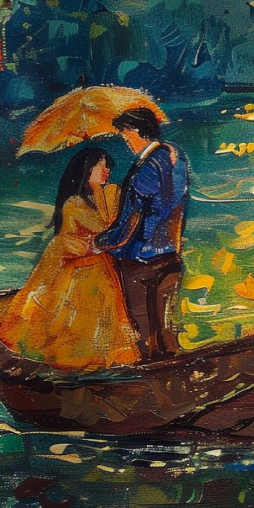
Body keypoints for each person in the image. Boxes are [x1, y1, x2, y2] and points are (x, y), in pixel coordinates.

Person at [0, 139, 139, 371]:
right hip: (78, 269)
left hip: (100, 267)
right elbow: (102, 231)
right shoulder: (75, 203)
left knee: (104, 319)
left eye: (108, 167)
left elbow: (113, 229)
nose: (107, 171)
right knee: (71, 325)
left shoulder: (104, 198)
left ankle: (103, 361)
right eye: (101, 167)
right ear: (86, 171)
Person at [97, 105, 190, 358]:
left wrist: (107, 242)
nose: (126, 141)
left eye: (125, 134)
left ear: (136, 130)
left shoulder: (146, 168)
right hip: (170, 252)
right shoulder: (176, 158)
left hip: (140, 256)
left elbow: (134, 215)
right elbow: (176, 206)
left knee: (145, 327)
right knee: (166, 326)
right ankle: (175, 374)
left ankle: (151, 381)